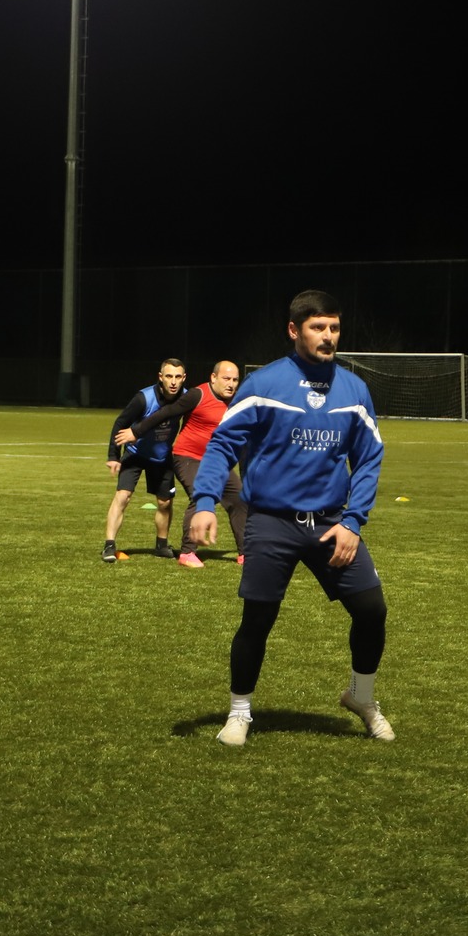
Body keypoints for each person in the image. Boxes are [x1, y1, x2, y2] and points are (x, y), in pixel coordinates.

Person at [188, 290, 391, 747]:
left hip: (331, 524)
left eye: (334, 327)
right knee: (258, 619)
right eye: (318, 328)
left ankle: (361, 696)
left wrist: (353, 522)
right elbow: (222, 444)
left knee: (371, 610)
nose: (328, 336)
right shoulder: (264, 384)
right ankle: (239, 713)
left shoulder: (354, 390)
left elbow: (369, 458)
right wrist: (204, 501)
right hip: (271, 522)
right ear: (294, 330)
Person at [113, 359, 248, 567]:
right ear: (213, 378)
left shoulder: (237, 401)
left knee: (239, 499)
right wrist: (136, 432)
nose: (231, 384)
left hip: (216, 460)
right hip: (187, 456)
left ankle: (245, 553)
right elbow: (166, 412)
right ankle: (187, 553)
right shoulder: (197, 395)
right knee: (200, 494)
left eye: (235, 380)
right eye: (226, 379)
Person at [102, 358, 187, 563]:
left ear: (184, 378)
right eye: (169, 376)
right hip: (135, 454)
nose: (173, 382)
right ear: (160, 377)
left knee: (165, 503)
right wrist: (114, 456)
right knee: (123, 496)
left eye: (177, 377)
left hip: (162, 457)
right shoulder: (144, 398)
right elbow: (121, 423)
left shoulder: (186, 398)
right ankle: (109, 546)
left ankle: (161, 546)